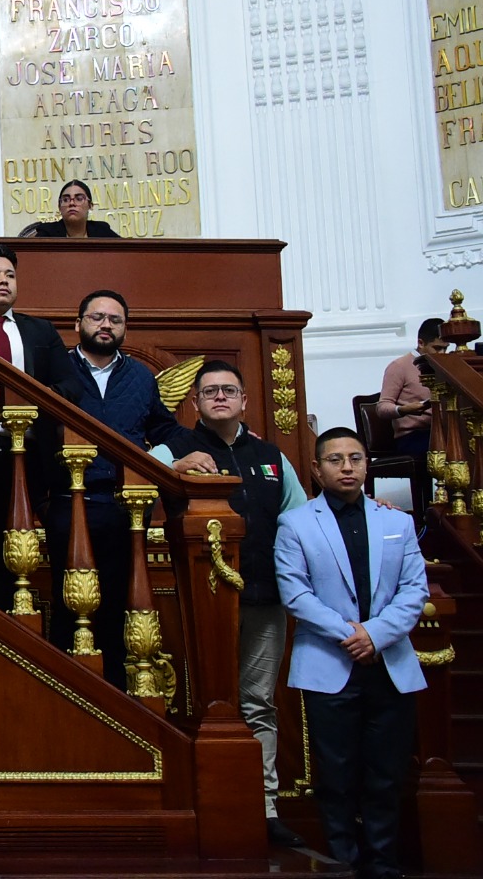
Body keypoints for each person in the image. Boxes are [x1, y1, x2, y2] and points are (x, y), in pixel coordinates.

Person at [151, 360, 307, 848]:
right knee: (206, 703)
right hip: (196, 602)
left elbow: (302, 521)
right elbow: (132, 474)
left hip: (264, 595)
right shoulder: (173, 445)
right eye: (210, 391)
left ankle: (263, 806)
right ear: (194, 402)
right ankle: (202, 801)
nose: (220, 397)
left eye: (229, 390)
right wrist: (173, 469)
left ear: (243, 401)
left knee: (258, 701)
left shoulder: (270, 456)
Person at [276, 427, 428, 879]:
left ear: (367, 464)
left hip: (389, 662)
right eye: (336, 459)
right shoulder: (297, 523)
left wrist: (376, 635)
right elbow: (295, 594)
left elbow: (414, 590)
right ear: (317, 469)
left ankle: (383, 862)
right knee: (337, 773)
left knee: (386, 772)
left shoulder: (396, 521)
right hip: (330, 662)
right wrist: (351, 634)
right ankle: (343, 861)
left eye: (356, 458)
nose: (347, 466)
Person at [49, 289, 181, 684]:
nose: (106, 325)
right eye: (97, 317)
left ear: (124, 328)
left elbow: (164, 428)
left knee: (115, 607)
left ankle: (114, 700)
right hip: (66, 503)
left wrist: (184, 451)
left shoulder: (141, 377)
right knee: (68, 604)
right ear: (78, 325)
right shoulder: (57, 371)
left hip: (125, 508)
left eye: (115, 320)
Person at [0, 243, 82, 609]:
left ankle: (18, 608)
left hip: (31, 451)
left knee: (17, 535)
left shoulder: (39, 331)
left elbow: (70, 386)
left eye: (10, 275)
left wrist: (28, 394)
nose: (3, 281)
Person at [376, 317, 446, 458]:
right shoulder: (399, 366)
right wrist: (403, 410)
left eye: (445, 348)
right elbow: (382, 407)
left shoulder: (445, 366)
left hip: (442, 431)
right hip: (412, 436)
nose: (442, 354)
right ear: (421, 343)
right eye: (437, 348)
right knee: (448, 449)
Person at [23, 180, 120, 238]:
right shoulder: (47, 232)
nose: (72, 203)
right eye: (66, 199)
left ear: (90, 205)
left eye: (79, 199)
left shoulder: (101, 231)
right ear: (59, 207)